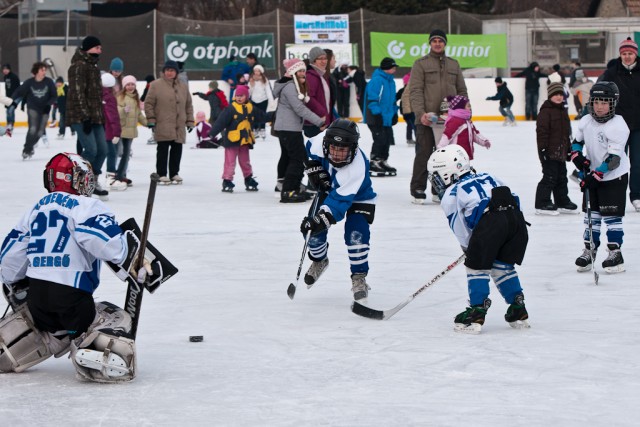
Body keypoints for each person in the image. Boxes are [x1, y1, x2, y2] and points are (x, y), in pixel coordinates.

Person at [0, 152, 141, 381]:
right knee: (117, 317)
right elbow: (110, 246)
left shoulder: (35, 210)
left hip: (37, 301)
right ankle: (84, 346)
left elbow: (8, 260)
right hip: (73, 301)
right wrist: (132, 254)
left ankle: (38, 339)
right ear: (75, 179)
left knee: (52, 323)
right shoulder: (86, 206)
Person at [427, 145, 530, 333]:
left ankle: (477, 311)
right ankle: (517, 307)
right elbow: (512, 197)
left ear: (447, 172)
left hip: (490, 224)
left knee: (476, 266)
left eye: (437, 175)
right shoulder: (489, 176)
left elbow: (459, 227)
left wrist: (470, 249)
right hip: (516, 221)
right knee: (502, 265)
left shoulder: (451, 193)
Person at [300, 119, 377, 301]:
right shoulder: (319, 141)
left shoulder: (357, 167)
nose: (336, 154)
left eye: (342, 150)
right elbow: (308, 148)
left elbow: (339, 203)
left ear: (353, 148)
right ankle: (320, 260)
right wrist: (313, 167)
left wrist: (323, 218)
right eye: (333, 148)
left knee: (356, 234)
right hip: (330, 191)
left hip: (359, 196)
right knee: (311, 232)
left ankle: (359, 277)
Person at [570, 81, 629, 274]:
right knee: (591, 216)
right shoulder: (586, 121)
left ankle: (615, 252)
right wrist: (578, 157)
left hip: (614, 177)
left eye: (605, 102)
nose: (600, 106)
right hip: (593, 175)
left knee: (611, 216)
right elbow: (576, 143)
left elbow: (614, 160)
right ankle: (590, 249)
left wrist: (596, 176)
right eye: (596, 102)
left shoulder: (618, 125)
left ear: (613, 103)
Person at [409, 29, 467, 204]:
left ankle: (440, 188)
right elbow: (415, 91)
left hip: (448, 121)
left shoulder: (454, 65)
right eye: (434, 40)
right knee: (424, 154)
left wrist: (462, 112)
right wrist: (421, 114)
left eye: (440, 41)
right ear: (429, 43)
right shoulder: (421, 64)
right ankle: (418, 188)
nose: (437, 43)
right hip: (427, 119)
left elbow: (462, 91)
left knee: (446, 155)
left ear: (445, 43)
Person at [273, 58, 325, 203]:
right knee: (298, 158)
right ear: (293, 73)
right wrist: (319, 121)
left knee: (292, 157)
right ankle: (289, 190)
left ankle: (292, 187)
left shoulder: (294, 86)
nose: (303, 73)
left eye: (303, 70)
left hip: (289, 128)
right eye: (299, 71)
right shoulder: (290, 87)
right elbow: (299, 108)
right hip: (288, 128)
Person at [599, 37, 640, 212]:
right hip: (618, 126)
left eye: (630, 53)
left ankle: (637, 195)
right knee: (615, 160)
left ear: (636, 54)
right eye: (624, 53)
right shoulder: (611, 72)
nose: (627, 56)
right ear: (620, 55)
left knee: (637, 162)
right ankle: (614, 194)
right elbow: (599, 93)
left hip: (638, 125)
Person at [66, 35, 109, 200]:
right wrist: (84, 117)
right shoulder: (78, 67)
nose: (100, 50)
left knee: (102, 150)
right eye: (97, 47)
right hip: (80, 116)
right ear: (88, 48)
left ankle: (92, 180)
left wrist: (98, 117)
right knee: (91, 150)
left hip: (95, 117)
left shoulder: (94, 67)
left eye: (100, 47)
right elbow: (77, 93)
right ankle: (77, 180)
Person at [144, 60, 194, 185]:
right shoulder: (156, 85)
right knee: (163, 150)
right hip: (163, 123)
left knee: (177, 149)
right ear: (164, 71)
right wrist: (151, 119)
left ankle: (174, 173)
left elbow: (188, 105)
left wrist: (189, 120)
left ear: (176, 72)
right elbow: (148, 103)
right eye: (167, 70)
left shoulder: (183, 86)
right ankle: (161, 174)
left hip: (179, 124)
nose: (169, 73)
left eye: (172, 70)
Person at [208, 85, 264, 193]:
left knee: (245, 161)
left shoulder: (250, 107)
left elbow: (262, 116)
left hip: (244, 140)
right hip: (231, 141)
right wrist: (212, 133)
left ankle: (248, 178)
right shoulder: (230, 108)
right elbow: (221, 122)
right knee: (230, 162)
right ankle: (227, 180)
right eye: (237, 96)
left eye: (241, 95)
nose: (239, 98)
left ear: (246, 96)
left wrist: (275, 115)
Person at [534, 82, 577, 215]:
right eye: (555, 94)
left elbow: (566, 133)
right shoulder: (545, 112)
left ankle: (562, 201)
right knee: (550, 177)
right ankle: (542, 203)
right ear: (550, 96)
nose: (559, 97)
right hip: (549, 152)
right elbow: (541, 133)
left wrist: (568, 149)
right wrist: (543, 150)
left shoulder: (563, 111)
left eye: (561, 94)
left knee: (562, 177)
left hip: (561, 152)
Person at [8, 62, 57, 160]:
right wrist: (11, 100)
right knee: (33, 129)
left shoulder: (49, 82)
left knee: (40, 132)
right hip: (33, 108)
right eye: (42, 70)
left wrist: (48, 105)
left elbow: (54, 95)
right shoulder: (29, 82)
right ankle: (27, 149)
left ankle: (30, 147)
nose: (44, 72)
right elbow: (19, 91)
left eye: (45, 70)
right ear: (36, 71)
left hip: (45, 109)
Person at [364, 57, 399, 176]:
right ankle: (374, 161)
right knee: (380, 139)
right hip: (376, 117)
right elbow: (373, 98)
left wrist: (394, 113)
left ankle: (383, 160)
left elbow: (392, 101)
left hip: (386, 118)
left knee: (387, 139)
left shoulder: (391, 81)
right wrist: (376, 114)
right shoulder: (377, 80)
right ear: (386, 68)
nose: (394, 69)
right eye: (393, 67)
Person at [116, 74, 148, 185]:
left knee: (126, 154)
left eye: (132, 84)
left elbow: (139, 114)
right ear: (124, 86)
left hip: (130, 131)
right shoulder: (120, 97)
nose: (130, 87)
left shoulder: (135, 98)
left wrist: (148, 124)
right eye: (128, 84)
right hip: (121, 130)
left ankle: (122, 175)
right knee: (123, 154)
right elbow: (116, 111)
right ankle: (119, 175)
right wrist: (123, 110)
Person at [437, 95, 490, 160]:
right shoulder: (455, 121)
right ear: (460, 108)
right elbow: (447, 136)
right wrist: (440, 149)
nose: (470, 108)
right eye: (468, 106)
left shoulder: (467, 121)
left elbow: (475, 134)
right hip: (455, 156)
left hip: (465, 155)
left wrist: (484, 141)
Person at [102, 73, 126, 192]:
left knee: (101, 154)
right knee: (111, 153)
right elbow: (113, 116)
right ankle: (110, 179)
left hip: (99, 131)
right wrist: (117, 132)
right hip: (108, 132)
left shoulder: (97, 95)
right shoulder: (109, 97)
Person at [305, 46, 335, 139]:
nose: (324, 61)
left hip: (323, 120)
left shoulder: (322, 76)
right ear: (313, 61)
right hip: (316, 122)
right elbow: (309, 98)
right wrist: (322, 113)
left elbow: (326, 101)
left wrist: (330, 117)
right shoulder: (311, 76)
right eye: (320, 59)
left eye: (325, 58)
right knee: (318, 150)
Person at [248, 64, 274, 139]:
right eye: (255, 71)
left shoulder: (264, 80)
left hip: (263, 100)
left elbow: (268, 91)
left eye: (258, 71)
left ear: (261, 72)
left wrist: (271, 100)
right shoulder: (251, 80)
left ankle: (262, 129)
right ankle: (255, 129)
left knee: (262, 115)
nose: (256, 72)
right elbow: (249, 92)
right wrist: (251, 86)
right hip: (254, 100)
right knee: (254, 115)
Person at [396, 72, 416, 145]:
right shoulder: (403, 90)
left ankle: (410, 138)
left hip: (409, 111)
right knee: (411, 125)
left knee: (411, 125)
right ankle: (409, 139)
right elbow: (395, 98)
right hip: (407, 111)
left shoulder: (404, 90)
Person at [2, 64, 20, 131]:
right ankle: (8, 123)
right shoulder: (5, 77)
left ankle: (11, 124)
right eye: (4, 69)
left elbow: (18, 88)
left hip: (16, 96)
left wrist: (13, 98)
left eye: (6, 69)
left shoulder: (14, 77)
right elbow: (7, 88)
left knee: (11, 109)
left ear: (9, 69)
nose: (5, 70)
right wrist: (7, 98)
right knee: (7, 110)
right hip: (9, 97)